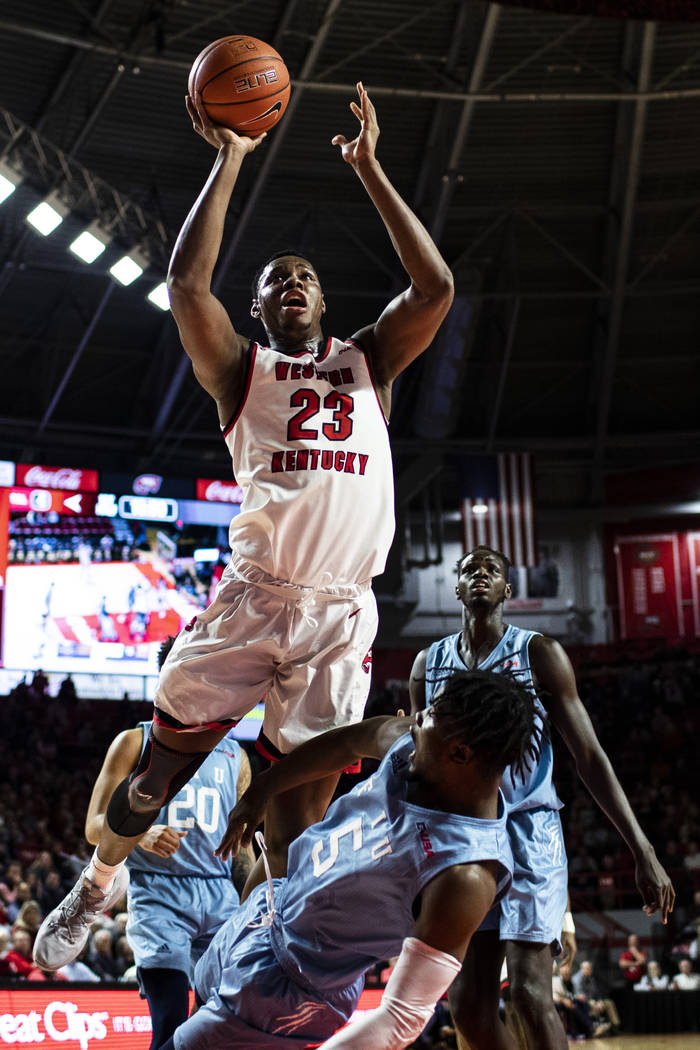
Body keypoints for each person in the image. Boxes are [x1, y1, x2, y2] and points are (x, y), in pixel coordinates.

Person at [34, 80, 453, 972]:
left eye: (304, 277)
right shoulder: (240, 371)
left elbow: (436, 284)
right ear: (259, 312)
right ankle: (100, 879)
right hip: (257, 599)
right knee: (160, 773)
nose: (292, 284)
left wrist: (371, 169)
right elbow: (187, 282)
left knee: (300, 807)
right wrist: (228, 158)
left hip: (344, 611)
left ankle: (279, 956)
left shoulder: (368, 363)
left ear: (325, 305)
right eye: (275, 282)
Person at [162, 669, 540, 1049]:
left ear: (460, 752)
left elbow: (402, 1017)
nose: (413, 723)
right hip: (265, 916)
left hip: (294, 988)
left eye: (426, 720)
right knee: (197, 1009)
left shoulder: (466, 875)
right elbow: (345, 744)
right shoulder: (413, 747)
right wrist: (263, 788)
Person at [409, 545, 674, 1050]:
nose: (481, 574)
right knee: (466, 1008)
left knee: (531, 995)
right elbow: (418, 769)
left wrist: (644, 850)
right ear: (457, 589)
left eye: (492, 569)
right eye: (470, 570)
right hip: (463, 840)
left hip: (530, 832)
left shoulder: (539, 653)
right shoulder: (429, 664)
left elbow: (590, 756)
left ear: (508, 590)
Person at [47, 635, 254, 1048]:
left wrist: (253, 902)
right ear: (169, 679)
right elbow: (93, 827)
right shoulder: (134, 741)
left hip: (219, 896)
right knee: (169, 1021)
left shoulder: (236, 757)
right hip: (159, 896)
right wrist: (141, 833)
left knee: (221, 1027)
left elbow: (243, 850)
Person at [571, 958, 620, 1031]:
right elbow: (580, 996)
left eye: (590, 968)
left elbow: (596, 992)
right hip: (585, 1002)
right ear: (582, 969)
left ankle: (615, 1026)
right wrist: (595, 1003)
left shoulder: (590, 978)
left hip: (594, 1000)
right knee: (593, 1004)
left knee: (609, 1003)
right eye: (588, 968)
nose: (590, 970)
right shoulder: (577, 979)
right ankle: (595, 1028)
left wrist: (600, 1001)